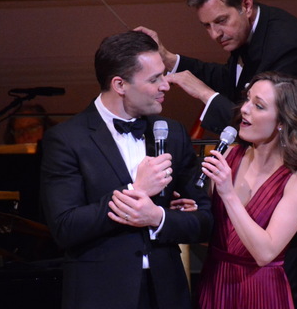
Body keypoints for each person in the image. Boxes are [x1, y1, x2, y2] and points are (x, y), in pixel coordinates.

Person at [136, 0, 297, 308]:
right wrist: (172, 60)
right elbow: (232, 80)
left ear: (246, 5)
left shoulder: (285, 42)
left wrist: (205, 96)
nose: (215, 34)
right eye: (206, 26)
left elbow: (264, 117)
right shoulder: (247, 37)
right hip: (268, 192)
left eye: (221, 21)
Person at [40, 30, 213, 309]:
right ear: (120, 84)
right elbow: (65, 227)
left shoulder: (172, 133)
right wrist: (136, 191)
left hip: (166, 292)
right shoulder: (67, 139)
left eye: (164, 75)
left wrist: (158, 217)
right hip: (101, 294)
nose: (166, 85)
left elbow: (204, 222)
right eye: (155, 79)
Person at [197, 72, 297, 309]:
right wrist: (194, 209)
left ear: (283, 121)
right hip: (215, 283)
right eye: (247, 100)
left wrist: (228, 194)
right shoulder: (229, 155)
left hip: (260, 292)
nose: (244, 109)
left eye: (258, 106)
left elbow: (265, 253)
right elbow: (213, 230)